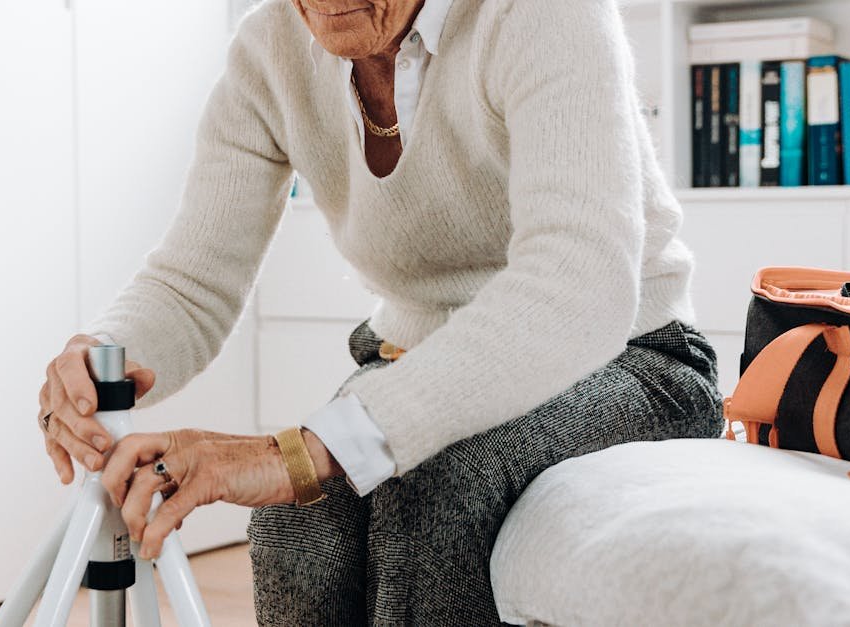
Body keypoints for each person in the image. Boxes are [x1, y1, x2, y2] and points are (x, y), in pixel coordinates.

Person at [36, 0, 724, 623]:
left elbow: (579, 287)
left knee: (430, 493)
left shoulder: (540, 14)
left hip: (632, 360)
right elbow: (195, 278)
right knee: (292, 515)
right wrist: (105, 357)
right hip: (415, 360)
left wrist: (305, 449)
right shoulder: (267, 47)